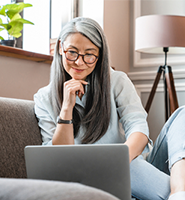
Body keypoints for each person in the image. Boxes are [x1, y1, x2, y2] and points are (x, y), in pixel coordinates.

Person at [34, 17, 185, 200]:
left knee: (182, 114)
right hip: (98, 178)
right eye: (72, 52)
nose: (80, 62)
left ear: (100, 56)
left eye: (89, 55)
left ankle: (179, 190)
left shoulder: (117, 81)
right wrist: (66, 108)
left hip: (136, 164)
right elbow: (59, 158)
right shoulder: (44, 97)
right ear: (60, 48)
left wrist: (119, 161)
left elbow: (138, 128)